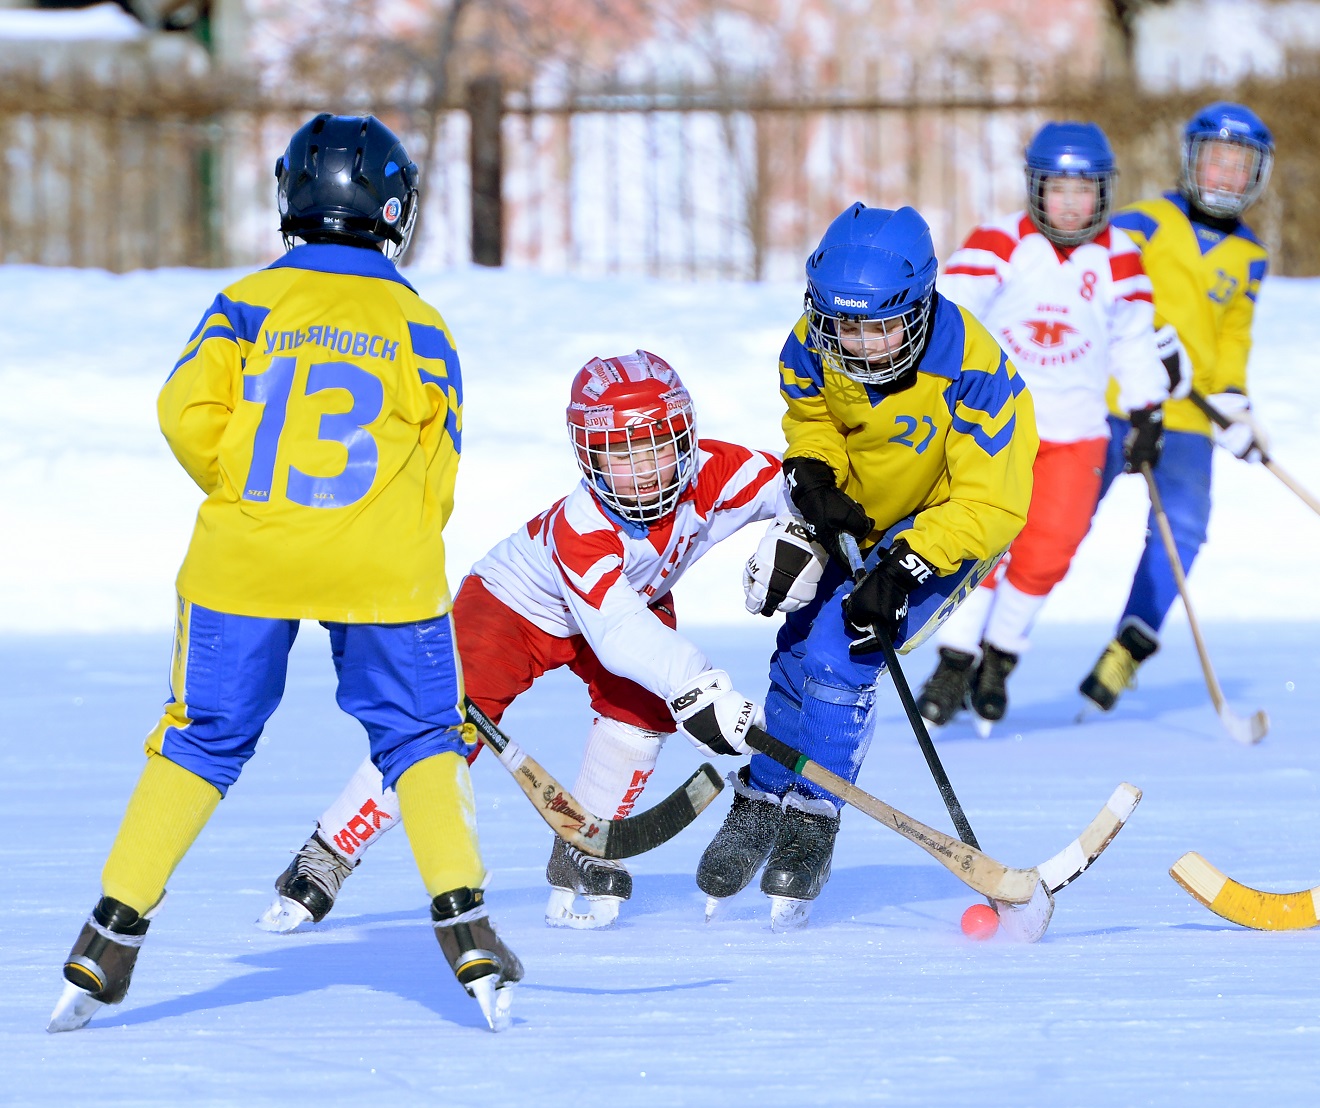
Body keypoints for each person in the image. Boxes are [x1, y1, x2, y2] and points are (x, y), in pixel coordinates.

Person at [49, 113, 523, 1034]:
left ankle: (108, 934)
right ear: (395, 211)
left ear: (289, 201)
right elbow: (440, 472)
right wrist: (382, 537)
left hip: (244, 558)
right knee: (422, 737)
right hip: (380, 564)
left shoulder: (243, 303)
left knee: (201, 739)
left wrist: (250, 490)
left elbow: (184, 411)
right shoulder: (421, 325)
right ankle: (466, 929)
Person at [260, 350, 804, 932]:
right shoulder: (583, 524)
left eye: (657, 447)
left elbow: (795, 487)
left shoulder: (717, 473)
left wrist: (798, 535)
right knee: (441, 729)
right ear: (588, 456)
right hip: (514, 608)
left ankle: (585, 846)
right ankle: (329, 851)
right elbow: (617, 632)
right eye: (621, 454)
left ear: (685, 439)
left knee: (644, 710)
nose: (644, 470)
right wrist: (700, 687)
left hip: (627, 598)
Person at [695, 202, 1039, 930]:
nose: (862, 346)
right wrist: (815, 475)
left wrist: (907, 565)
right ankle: (760, 801)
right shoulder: (815, 343)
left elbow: (994, 501)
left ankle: (814, 819)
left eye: (882, 326)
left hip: (948, 528)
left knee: (841, 655)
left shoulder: (975, 374)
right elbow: (812, 418)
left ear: (920, 307)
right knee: (793, 648)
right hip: (864, 512)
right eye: (844, 326)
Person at [916, 122, 1170, 730]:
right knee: (982, 543)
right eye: (1059, 190)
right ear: (1036, 189)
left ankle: (999, 658)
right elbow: (949, 313)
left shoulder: (1120, 255)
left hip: (1077, 431)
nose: (1072, 204)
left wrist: (1147, 411)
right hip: (996, 426)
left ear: (1104, 194)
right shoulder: (1000, 240)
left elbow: (1134, 339)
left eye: (1086, 191)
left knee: (1049, 550)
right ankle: (954, 660)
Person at [1078, 102, 1273, 711]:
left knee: (1184, 526)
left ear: (1254, 176)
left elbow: (1232, 338)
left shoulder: (1251, 257)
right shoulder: (1142, 223)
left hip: (1189, 416)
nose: (1223, 176)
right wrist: (1146, 339)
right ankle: (983, 643)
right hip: (1117, 402)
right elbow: (1101, 287)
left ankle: (1128, 647)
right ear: (1192, 160)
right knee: (1067, 512)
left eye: (1237, 166)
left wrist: (1234, 406)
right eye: (1214, 159)